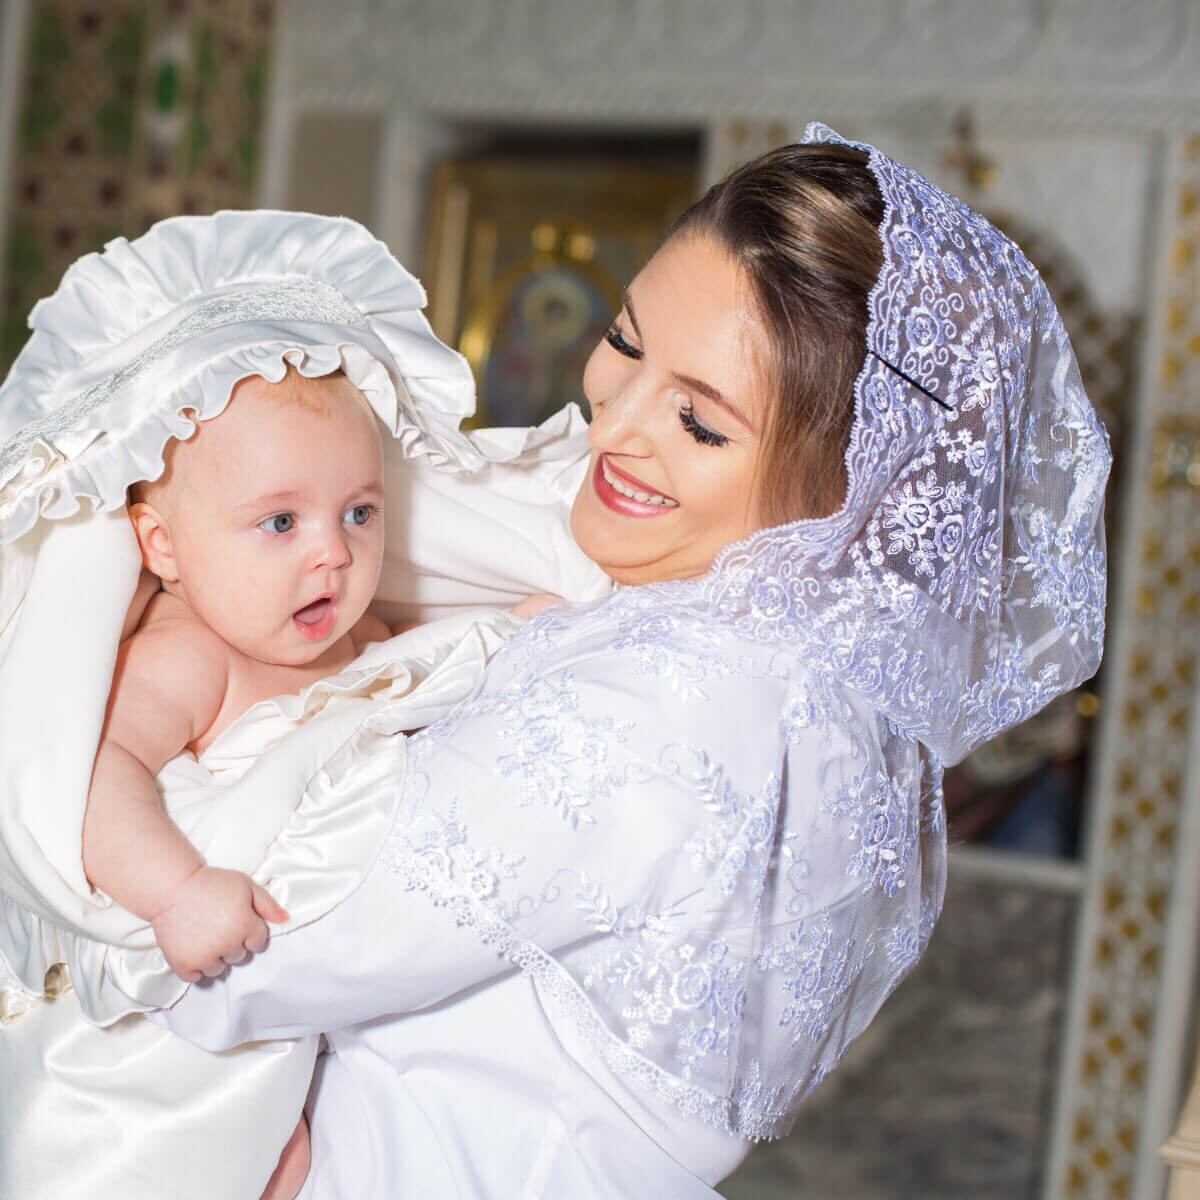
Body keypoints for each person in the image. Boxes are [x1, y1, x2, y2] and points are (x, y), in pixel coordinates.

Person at [145, 123, 1112, 1197]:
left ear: (844, 492)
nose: (617, 424)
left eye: (700, 422)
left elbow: (231, 962)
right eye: (628, 337)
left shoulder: (667, 707)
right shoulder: (813, 693)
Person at [0, 212, 607, 1199]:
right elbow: (99, 781)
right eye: (279, 521)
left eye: (358, 513)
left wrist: (513, 636)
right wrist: (174, 891)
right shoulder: (189, 655)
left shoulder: (356, 639)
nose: (332, 552)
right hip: (134, 1083)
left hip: (281, 1067)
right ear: (161, 547)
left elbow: (421, 681)